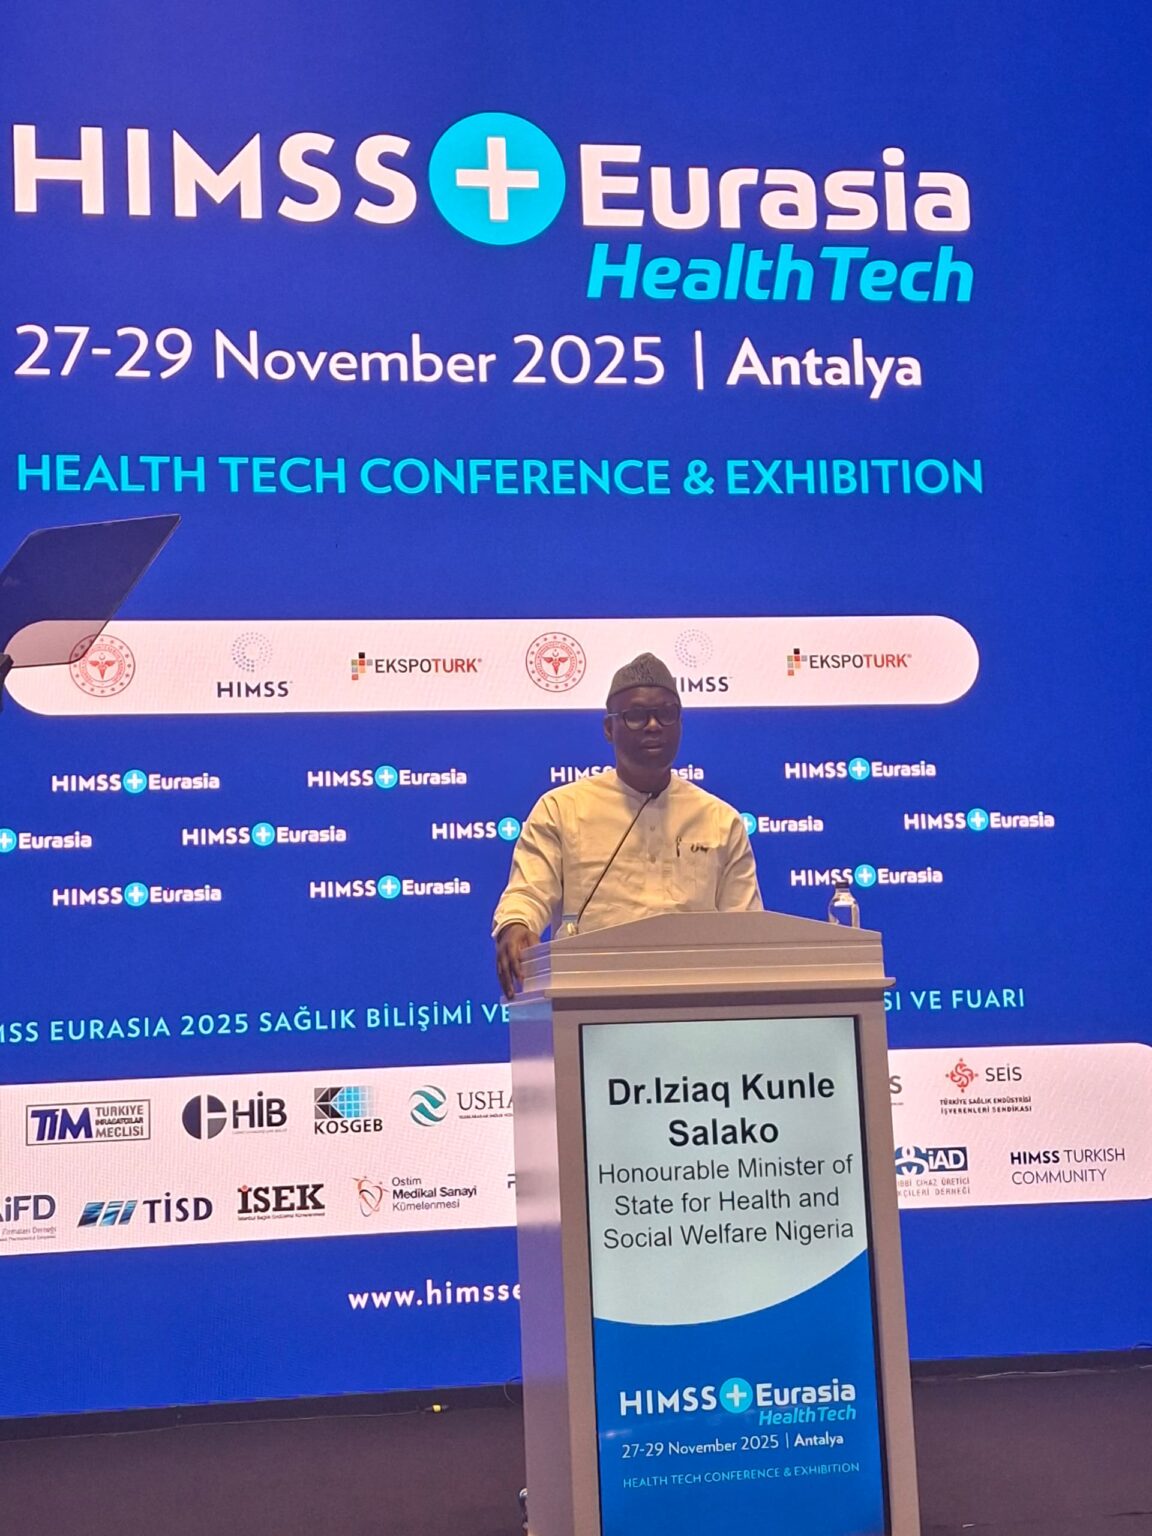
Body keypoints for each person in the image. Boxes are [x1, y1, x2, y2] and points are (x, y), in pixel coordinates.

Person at [493, 652, 762, 998]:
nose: (653, 726)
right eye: (635, 716)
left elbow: (746, 930)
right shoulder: (561, 809)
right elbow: (528, 893)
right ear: (609, 729)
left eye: (666, 714)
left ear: (680, 724)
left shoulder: (720, 820)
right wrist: (515, 924)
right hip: (591, 1001)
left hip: (698, 1003)